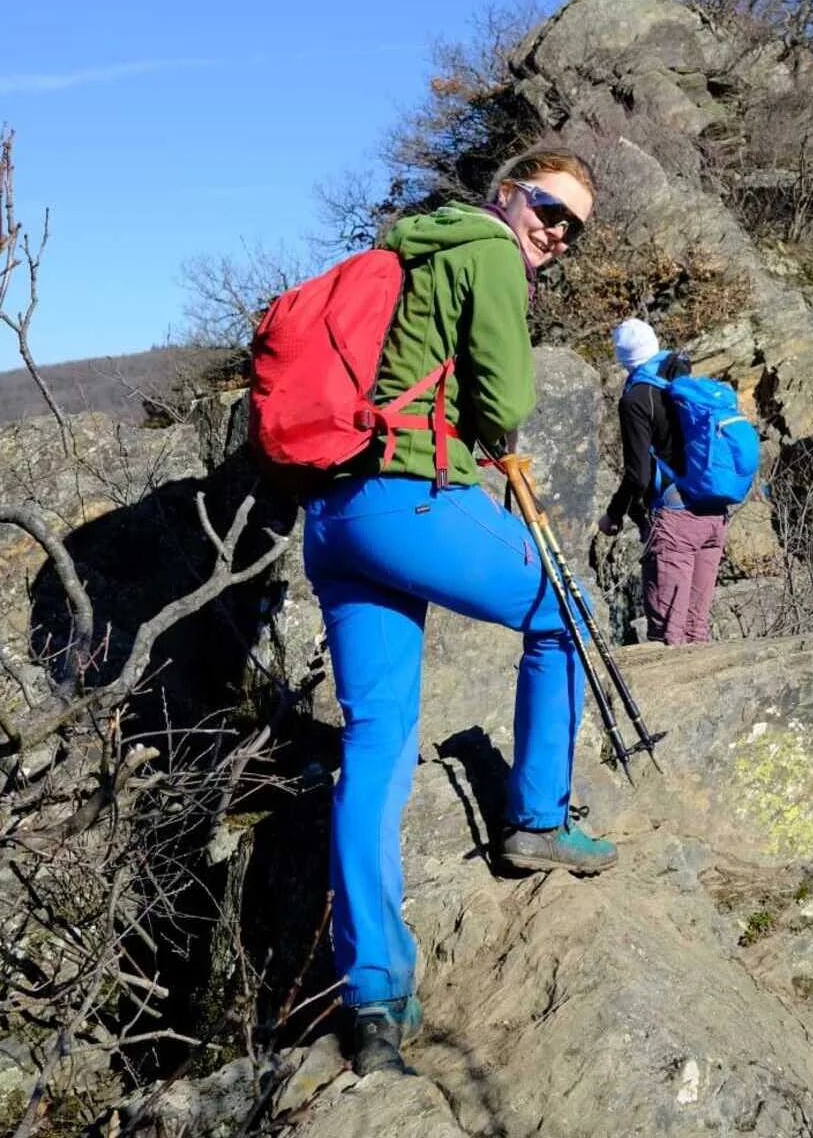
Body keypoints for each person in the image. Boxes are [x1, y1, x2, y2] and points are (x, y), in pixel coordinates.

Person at [302, 149, 615, 1077]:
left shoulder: (409, 249)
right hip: (408, 498)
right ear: (508, 192)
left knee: (379, 741)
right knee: (571, 607)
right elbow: (507, 400)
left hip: (334, 517)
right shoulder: (484, 248)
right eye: (550, 208)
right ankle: (539, 816)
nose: (556, 233)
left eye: (574, 228)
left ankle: (374, 996)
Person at [597, 319, 729, 646]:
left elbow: (638, 476)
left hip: (676, 524)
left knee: (667, 638)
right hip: (714, 515)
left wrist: (614, 514)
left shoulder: (637, 399)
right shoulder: (683, 378)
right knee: (695, 630)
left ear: (623, 358)